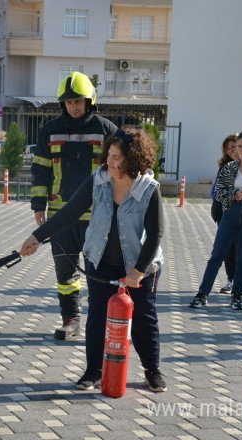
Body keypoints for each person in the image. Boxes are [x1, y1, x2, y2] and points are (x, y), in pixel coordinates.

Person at [20, 129, 166, 392]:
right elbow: (69, 213)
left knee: (144, 318)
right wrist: (37, 237)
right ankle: (93, 370)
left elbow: (155, 234)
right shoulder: (98, 181)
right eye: (108, 155)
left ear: (132, 159)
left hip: (140, 265)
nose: (109, 162)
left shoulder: (149, 189)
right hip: (100, 260)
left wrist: (138, 271)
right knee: (98, 316)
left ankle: (152, 370)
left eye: (116, 157)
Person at [30, 71, 117, 340]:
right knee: (65, 273)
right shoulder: (50, 130)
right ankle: (71, 320)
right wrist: (38, 206)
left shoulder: (107, 130)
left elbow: (122, 169)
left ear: (89, 100)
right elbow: (40, 171)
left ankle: (101, 321)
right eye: (69, 102)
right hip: (60, 216)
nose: (74, 107)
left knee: (99, 273)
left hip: (99, 217)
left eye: (78, 101)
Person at [190, 127, 242, 310]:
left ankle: (237, 296)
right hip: (230, 214)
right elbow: (218, 193)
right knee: (217, 255)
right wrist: (234, 193)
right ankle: (202, 294)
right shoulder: (229, 168)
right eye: (239, 146)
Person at [210, 134, 242, 298]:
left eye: (235, 147)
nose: (233, 151)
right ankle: (231, 279)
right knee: (228, 249)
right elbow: (216, 190)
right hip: (224, 212)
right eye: (229, 148)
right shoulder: (225, 167)